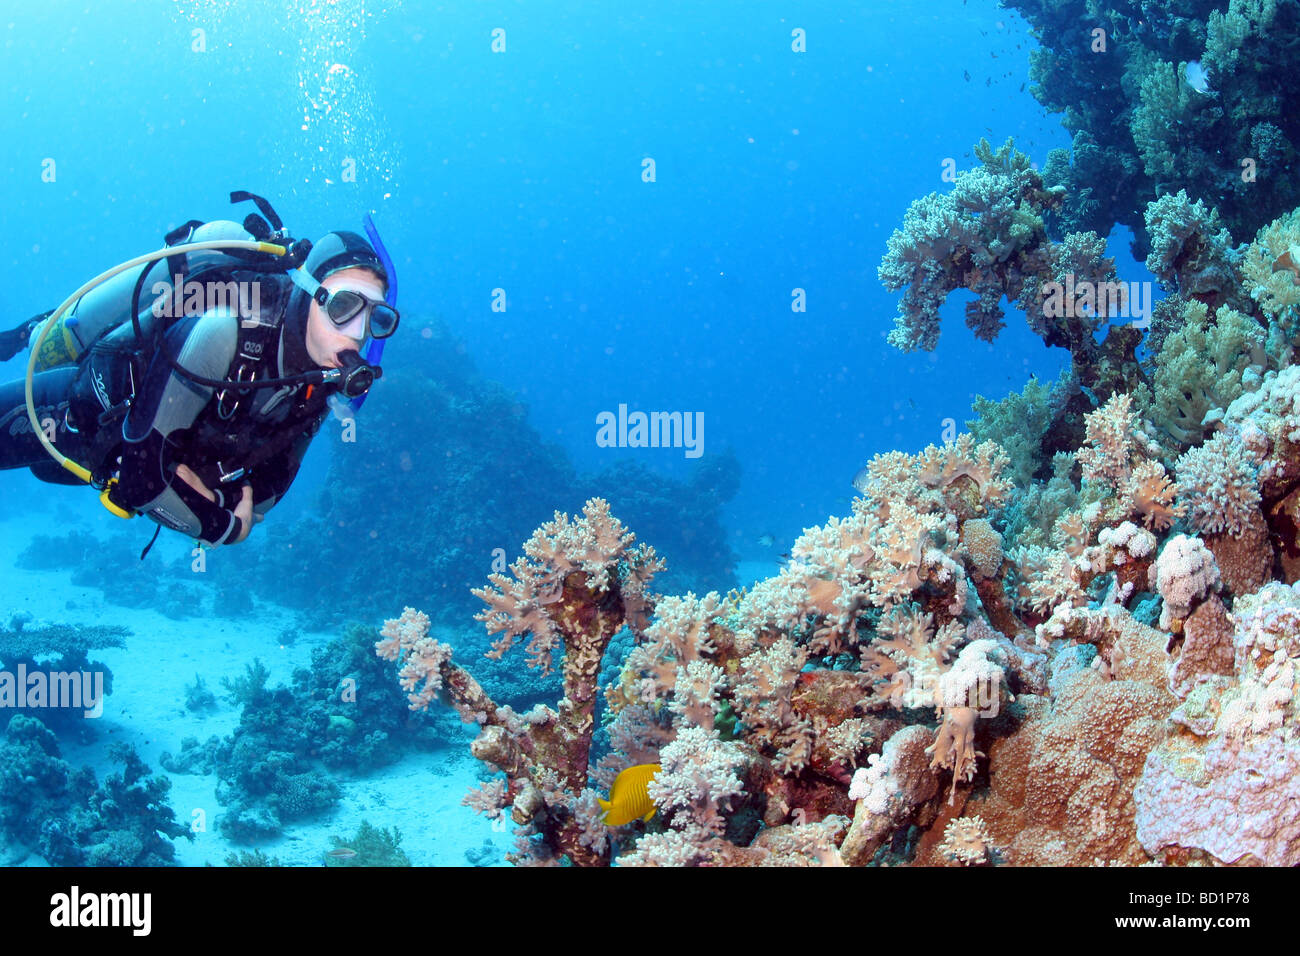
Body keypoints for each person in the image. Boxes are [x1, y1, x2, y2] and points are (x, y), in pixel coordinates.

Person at [0, 229, 398, 547]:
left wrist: (208, 496)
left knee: (46, 473)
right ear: (309, 293)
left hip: (107, 466)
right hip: (79, 419)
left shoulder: (322, 381)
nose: (358, 333)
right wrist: (224, 528)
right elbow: (143, 484)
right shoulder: (224, 330)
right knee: (41, 402)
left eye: (376, 317)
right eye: (344, 306)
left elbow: (267, 490)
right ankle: (35, 332)